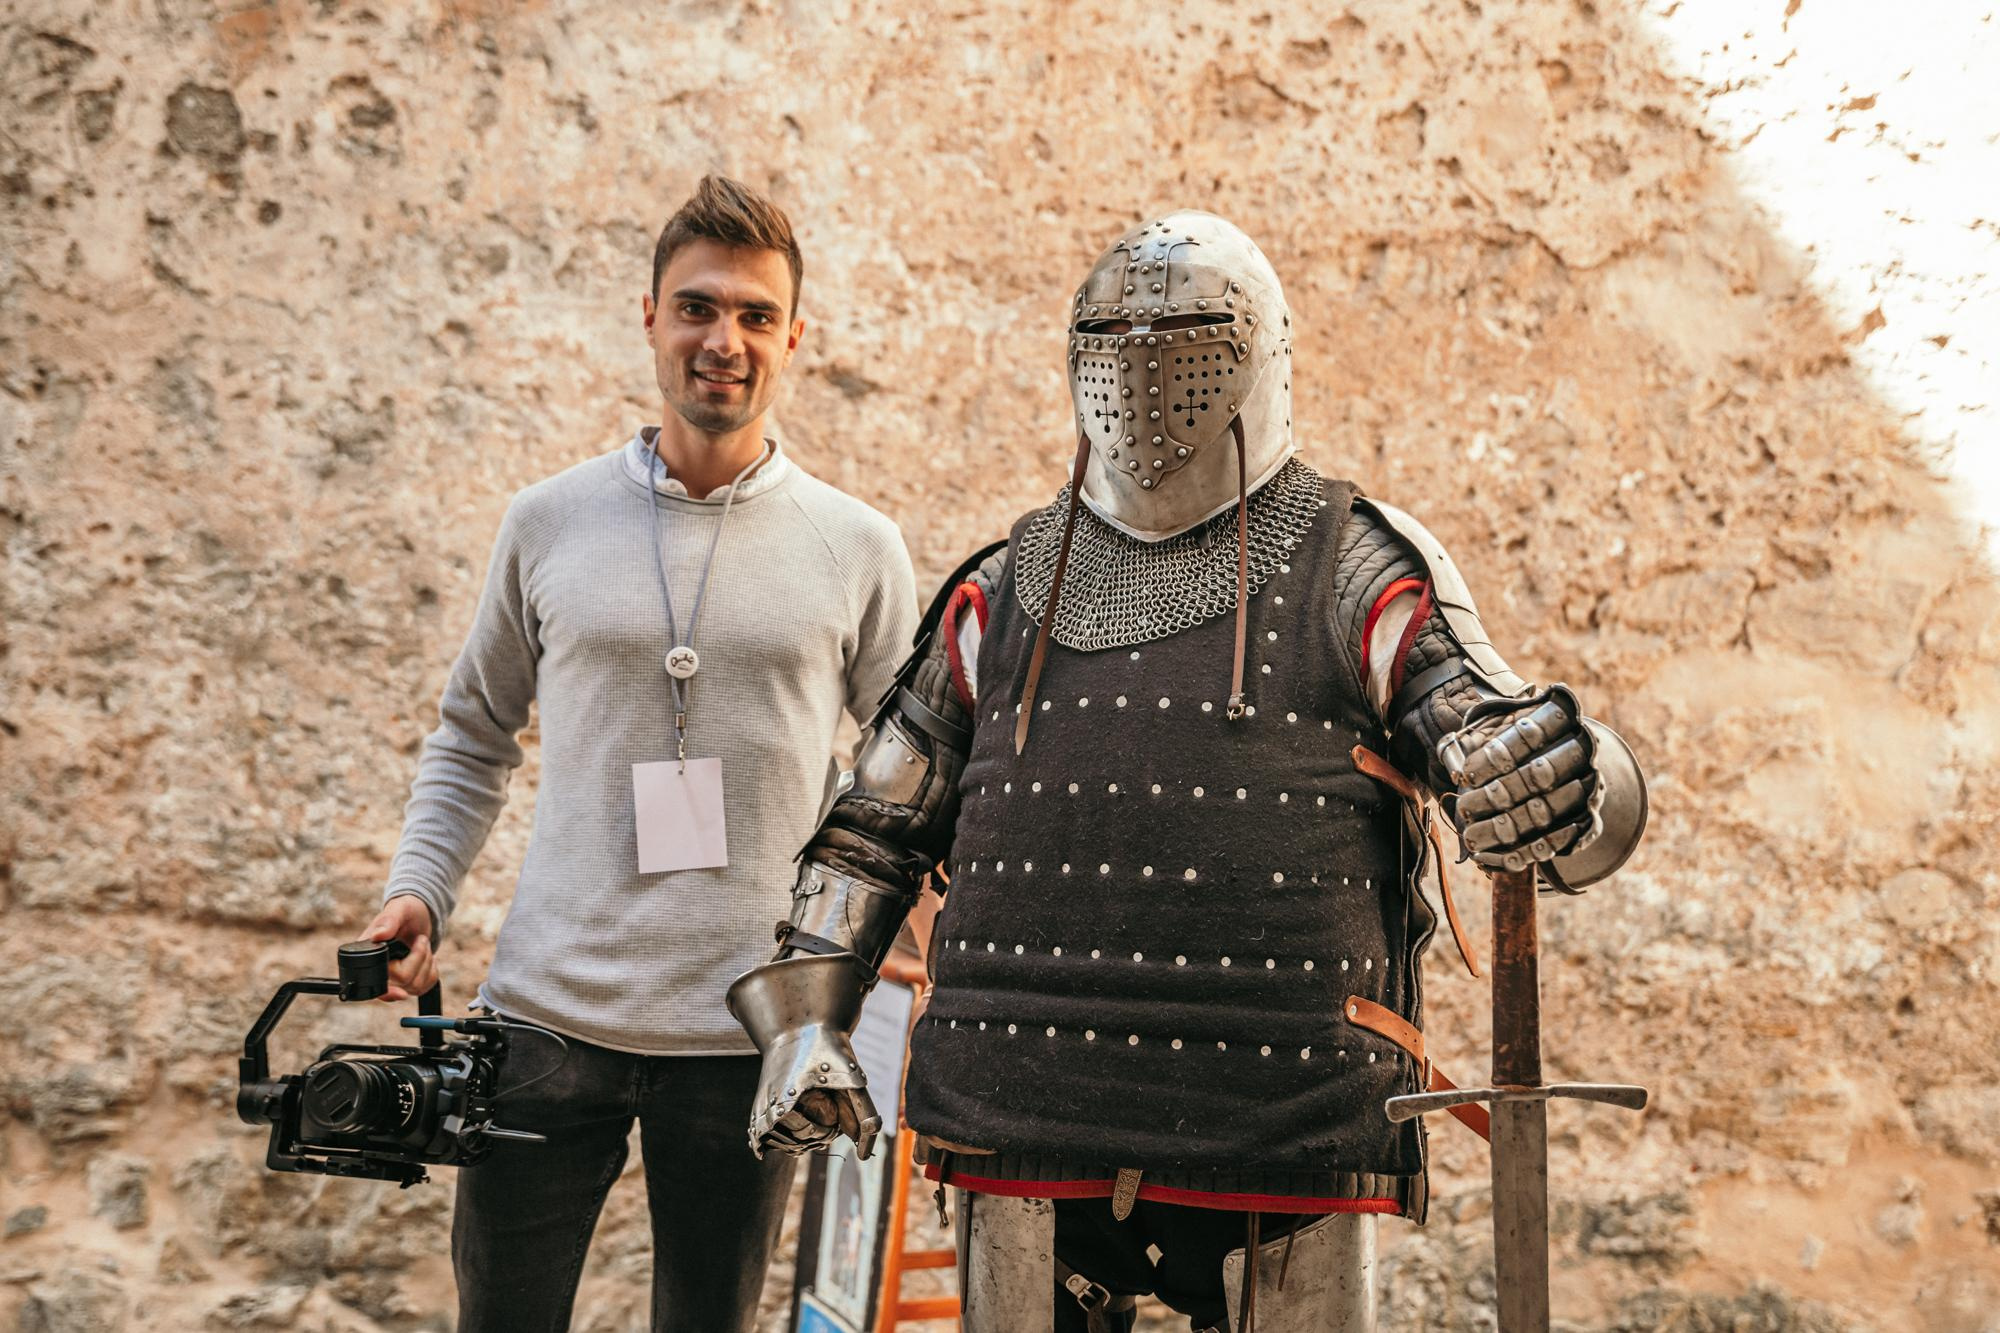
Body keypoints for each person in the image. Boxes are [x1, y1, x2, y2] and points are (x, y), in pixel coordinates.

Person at [726, 211, 1648, 1331]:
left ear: (1259, 350)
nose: (1145, 371)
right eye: (1112, 336)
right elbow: (873, 825)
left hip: (1279, 1117)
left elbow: (1498, 751)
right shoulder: (1004, 584)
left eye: (1192, 334)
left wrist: (1554, 774)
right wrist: (803, 1023)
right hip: (1024, 1104)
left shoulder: (1352, 565)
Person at [358, 174, 918, 1333]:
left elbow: (910, 774)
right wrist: (419, 888)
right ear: (651, 317)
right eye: (698, 307)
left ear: (793, 337)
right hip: (542, 1022)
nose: (725, 340)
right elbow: (472, 731)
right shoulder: (547, 521)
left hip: (748, 1031)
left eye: (756, 316)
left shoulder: (857, 546)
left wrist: (907, 934)